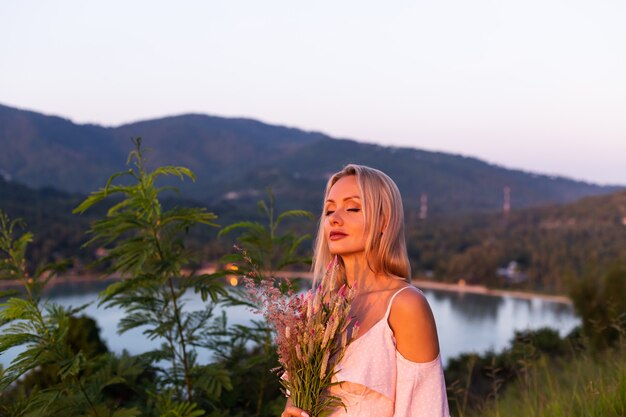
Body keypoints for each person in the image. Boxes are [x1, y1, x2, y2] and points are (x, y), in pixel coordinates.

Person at [281, 164, 450, 417]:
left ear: (384, 221)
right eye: (329, 210)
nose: (334, 218)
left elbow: (426, 410)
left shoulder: (405, 305)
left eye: (352, 208)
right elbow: (296, 405)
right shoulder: (318, 311)